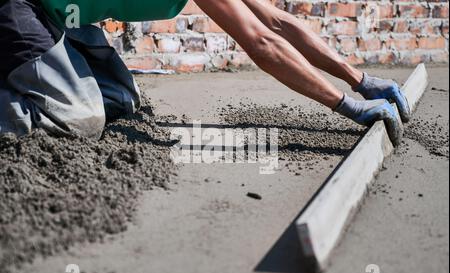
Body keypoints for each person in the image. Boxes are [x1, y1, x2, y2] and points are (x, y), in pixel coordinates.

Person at [0, 0, 409, 146]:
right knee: (80, 116)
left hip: (61, 20)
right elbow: (261, 44)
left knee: (120, 101)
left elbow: (277, 24)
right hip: (22, 9)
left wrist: (361, 80)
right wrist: (347, 106)